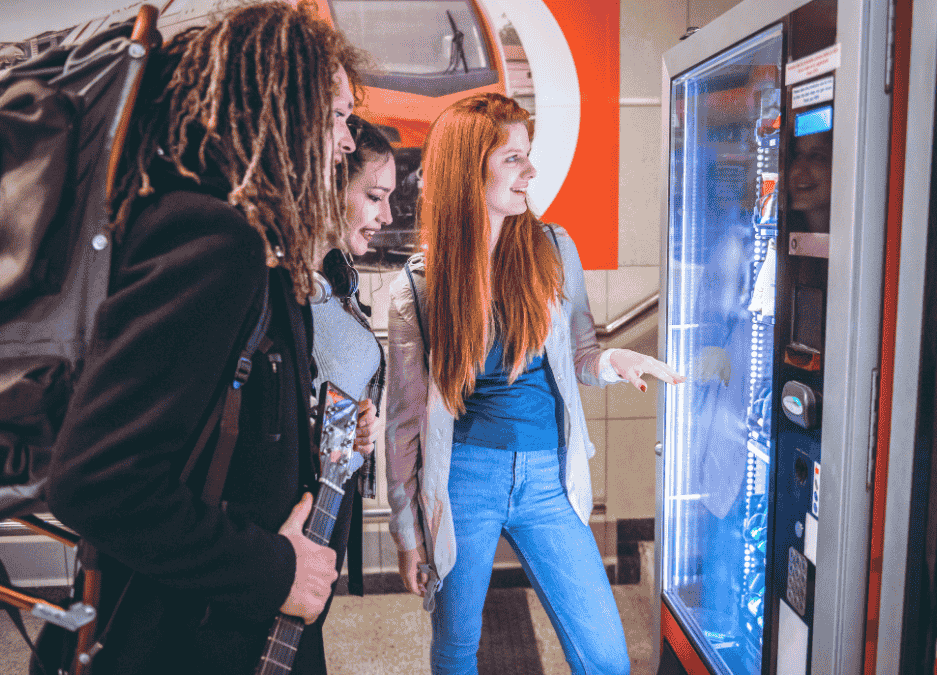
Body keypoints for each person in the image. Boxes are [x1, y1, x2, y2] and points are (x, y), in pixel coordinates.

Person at [40, 3, 371, 673]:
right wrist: (276, 568)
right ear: (283, 110)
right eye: (337, 117)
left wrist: (312, 424)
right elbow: (97, 481)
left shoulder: (247, 237)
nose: (347, 141)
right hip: (185, 640)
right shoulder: (214, 238)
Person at [385, 92, 685, 675]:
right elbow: (403, 423)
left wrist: (610, 362)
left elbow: (580, 354)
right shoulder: (417, 287)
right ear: (469, 171)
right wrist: (406, 533)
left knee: (605, 658)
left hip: (549, 479)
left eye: (529, 156)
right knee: (455, 652)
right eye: (512, 159)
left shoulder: (553, 249)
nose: (531, 171)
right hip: (464, 480)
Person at [308, 115, 396, 590]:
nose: (387, 218)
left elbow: (326, 394)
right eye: (375, 198)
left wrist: (355, 428)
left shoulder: (334, 278)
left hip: (332, 489)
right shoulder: (291, 287)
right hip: (297, 510)